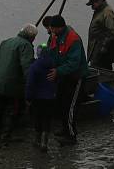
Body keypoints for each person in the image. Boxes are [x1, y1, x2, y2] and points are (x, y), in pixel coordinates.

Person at [0, 24, 37, 144]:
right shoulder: (26, 46)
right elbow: (27, 68)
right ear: (32, 37)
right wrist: (31, 86)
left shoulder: (6, 41)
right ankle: (6, 135)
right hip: (12, 85)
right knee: (13, 109)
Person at [46, 15, 87, 146]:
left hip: (76, 77)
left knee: (71, 107)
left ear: (59, 27)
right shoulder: (55, 37)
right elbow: (52, 54)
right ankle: (65, 129)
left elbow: (74, 63)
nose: (50, 31)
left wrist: (58, 71)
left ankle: (71, 136)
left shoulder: (73, 39)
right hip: (63, 76)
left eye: (52, 28)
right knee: (62, 103)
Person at [26, 45, 57, 152]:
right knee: (47, 119)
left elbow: (30, 84)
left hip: (37, 98)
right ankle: (45, 143)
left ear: (38, 53)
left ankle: (37, 140)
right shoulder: (54, 65)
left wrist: (28, 98)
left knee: (37, 118)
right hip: (50, 98)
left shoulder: (34, 66)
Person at [86, 0, 114, 71]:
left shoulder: (107, 12)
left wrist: (104, 47)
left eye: (92, 5)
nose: (92, 8)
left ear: (97, 3)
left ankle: (104, 82)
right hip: (96, 47)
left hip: (103, 50)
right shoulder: (100, 11)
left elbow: (112, 31)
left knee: (103, 70)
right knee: (97, 69)